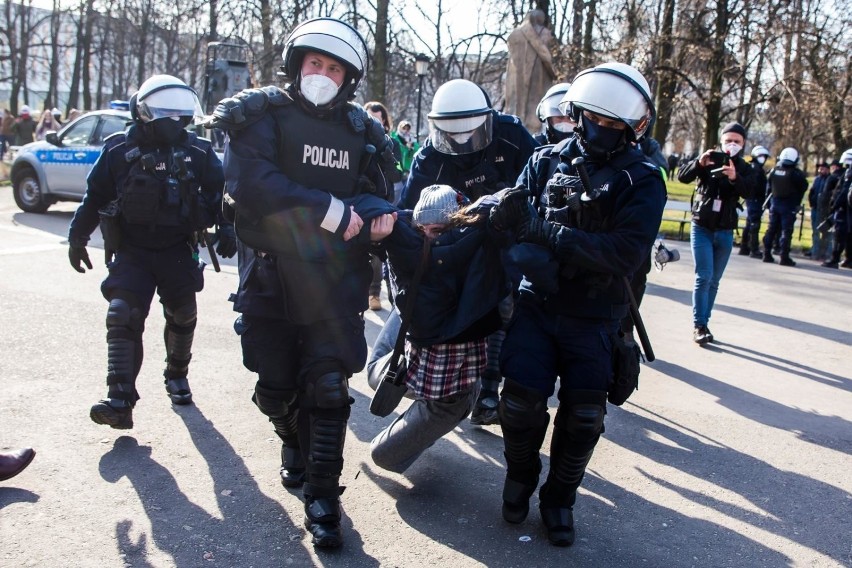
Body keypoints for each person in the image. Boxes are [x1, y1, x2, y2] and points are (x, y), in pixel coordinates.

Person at [212, 17, 398, 548]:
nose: (323, 73)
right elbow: (251, 184)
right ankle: (289, 436)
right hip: (271, 273)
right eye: (315, 62)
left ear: (348, 78)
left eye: (334, 67)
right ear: (298, 65)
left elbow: (378, 191)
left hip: (334, 278)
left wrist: (377, 214)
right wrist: (327, 209)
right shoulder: (263, 114)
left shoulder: (362, 131)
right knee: (273, 385)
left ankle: (324, 498)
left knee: (328, 385)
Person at [491, 62, 666, 547]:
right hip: (538, 304)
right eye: (595, 118)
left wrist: (551, 233)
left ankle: (560, 498)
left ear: (633, 127)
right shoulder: (545, 160)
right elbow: (513, 219)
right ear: (577, 112)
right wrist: (503, 214)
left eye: (615, 124)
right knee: (519, 403)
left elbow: (625, 253)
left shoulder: (642, 179)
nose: (602, 129)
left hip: (597, 315)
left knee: (585, 415)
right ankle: (520, 476)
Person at [67, 74, 235, 429]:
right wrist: (77, 237)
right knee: (122, 313)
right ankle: (119, 400)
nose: (173, 122)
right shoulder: (117, 150)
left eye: (178, 115)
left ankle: (177, 374)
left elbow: (223, 192)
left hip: (178, 248)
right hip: (133, 250)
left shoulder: (198, 151)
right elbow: (94, 195)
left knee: (183, 314)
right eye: (164, 114)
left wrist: (228, 226)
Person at [400, 77, 538, 426]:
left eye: (471, 133)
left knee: (505, 309)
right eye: (452, 135)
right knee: (461, 311)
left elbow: (539, 176)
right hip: (458, 248)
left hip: (511, 237)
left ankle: (490, 389)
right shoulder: (428, 158)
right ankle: (435, 378)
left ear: (487, 120)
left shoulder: (511, 134)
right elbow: (409, 211)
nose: (463, 143)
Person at [367, 185, 511, 473]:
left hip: (450, 396)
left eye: (440, 229)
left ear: (457, 224)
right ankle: (435, 413)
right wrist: (378, 238)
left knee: (381, 456)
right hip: (417, 364)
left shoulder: (478, 251)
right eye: (425, 229)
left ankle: (461, 402)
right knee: (374, 374)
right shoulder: (409, 248)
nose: (432, 236)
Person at [678, 122, 758, 344]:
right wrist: (698, 163)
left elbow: (750, 191)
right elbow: (682, 177)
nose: (732, 145)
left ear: (743, 144)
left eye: (737, 141)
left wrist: (735, 177)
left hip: (725, 230)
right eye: (728, 140)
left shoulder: (744, 167)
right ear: (721, 141)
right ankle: (699, 325)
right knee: (703, 276)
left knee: (714, 280)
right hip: (702, 226)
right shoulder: (709, 157)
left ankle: (705, 321)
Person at [364, 101, 403, 311]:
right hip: (356, 202)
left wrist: (385, 156)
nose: (373, 123)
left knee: (378, 251)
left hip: (381, 203)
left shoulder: (391, 143)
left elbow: (397, 172)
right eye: (369, 117)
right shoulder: (354, 137)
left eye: (377, 119)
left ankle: (374, 293)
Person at [504, 9, 557, 131]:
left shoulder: (514, 34)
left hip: (517, 78)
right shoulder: (546, 34)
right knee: (536, 107)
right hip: (539, 77)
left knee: (517, 105)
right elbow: (550, 59)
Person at [762, 147, 808, 266]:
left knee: (771, 229)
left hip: (775, 204)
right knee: (786, 232)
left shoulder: (774, 171)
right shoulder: (795, 174)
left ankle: (766, 253)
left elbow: (768, 189)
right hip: (789, 206)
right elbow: (804, 186)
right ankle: (784, 256)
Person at [821, 150, 852, 268]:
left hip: (844, 210)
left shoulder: (849, 174)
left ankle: (835, 259)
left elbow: (843, 192)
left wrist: (834, 205)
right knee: (849, 236)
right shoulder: (847, 172)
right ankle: (849, 260)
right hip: (847, 209)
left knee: (839, 235)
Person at [739, 145, 770, 258]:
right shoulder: (756, 168)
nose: (764, 159)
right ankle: (753, 249)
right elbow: (757, 186)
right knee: (754, 224)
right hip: (755, 199)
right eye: (762, 156)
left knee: (749, 223)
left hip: (752, 199)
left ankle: (744, 247)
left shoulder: (753, 167)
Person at [807, 162, 831, 261]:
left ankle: (825, 252)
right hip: (815, 208)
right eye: (820, 169)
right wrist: (812, 202)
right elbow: (811, 192)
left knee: (827, 233)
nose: (821, 171)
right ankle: (815, 251)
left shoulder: (830, 179)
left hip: (825, 210)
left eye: (823, 169)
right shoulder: (816, 180)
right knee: (815, 231)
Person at [391, 120, 419, 185]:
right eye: (403, 128)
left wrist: (412, 146)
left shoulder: (411, 139)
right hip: (397, 165)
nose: (405, 130)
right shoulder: (394, 138)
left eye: (407, 129)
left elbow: (417, 150)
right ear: (399, 128)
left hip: (407, 170)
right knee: (397, 187)